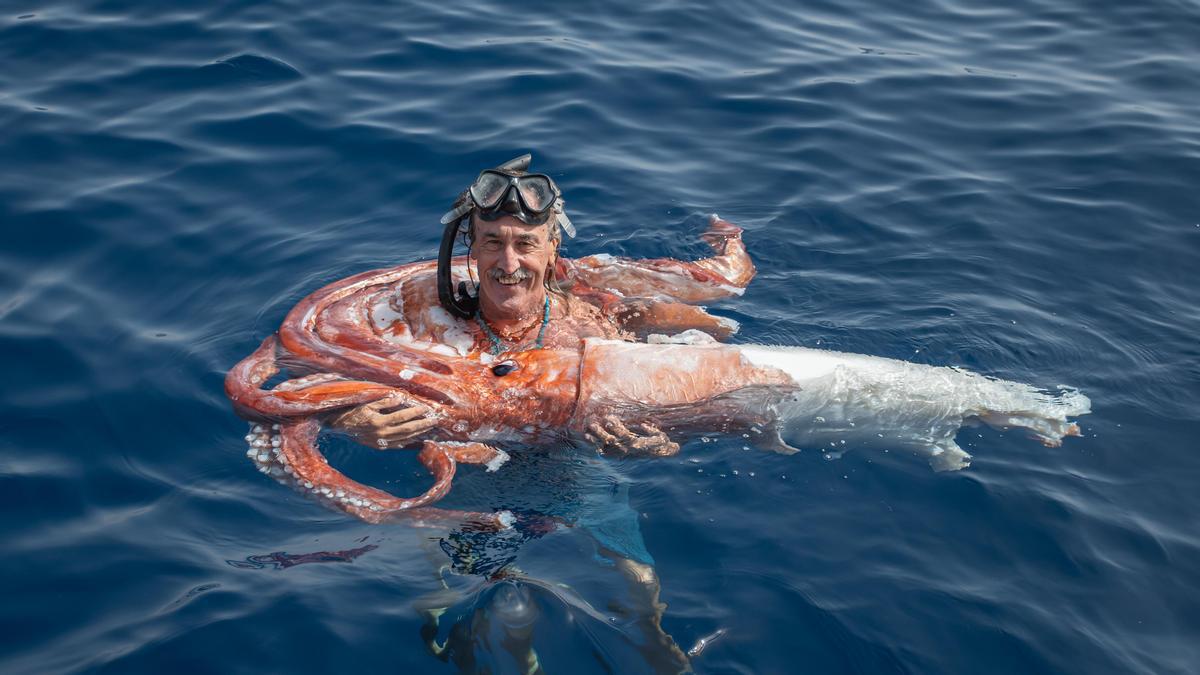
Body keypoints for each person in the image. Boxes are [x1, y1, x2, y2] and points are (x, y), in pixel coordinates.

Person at [330, 153, 756, 457]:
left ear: (552, 250)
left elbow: (706, 405)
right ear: (472, 250)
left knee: (723, 282)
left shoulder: (597, 325)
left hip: (568, 462)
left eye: (525, 245)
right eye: (493, 242)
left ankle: (726, 237)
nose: (508, 263)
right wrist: (348, 424)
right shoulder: (418, 309)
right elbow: (306, 386)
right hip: (460, 470)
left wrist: (661, 448)